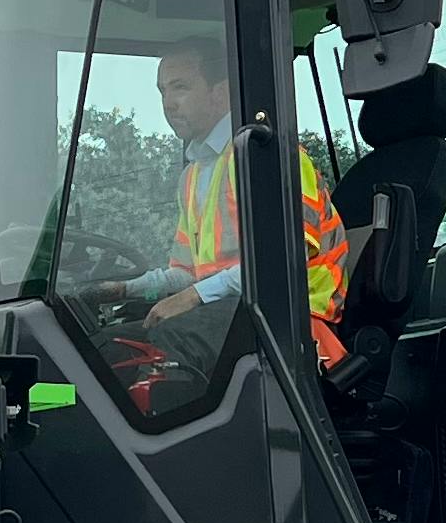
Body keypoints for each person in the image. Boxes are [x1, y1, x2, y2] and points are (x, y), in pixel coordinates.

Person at [92, 41, 350, 403]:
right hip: (230, 309)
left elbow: (282, 260)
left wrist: (192, 297)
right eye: (163, 91)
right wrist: (122, 289)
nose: (168, 103)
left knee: (171, 338)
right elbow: (187, 273)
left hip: (294, 320)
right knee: (106, 347)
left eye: (180, 87)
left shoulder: (270, 158)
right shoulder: (194, 176)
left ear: (220, 92)